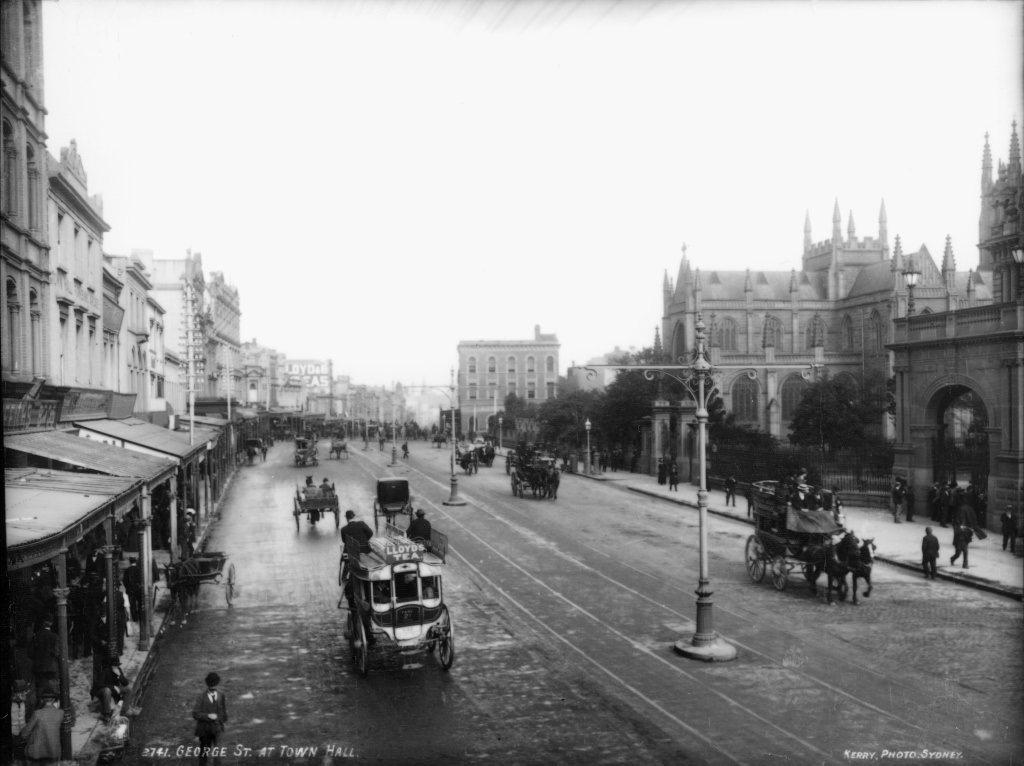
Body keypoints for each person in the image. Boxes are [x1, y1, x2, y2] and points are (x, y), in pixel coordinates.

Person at [192, 672, 228, 766]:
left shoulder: (221, 695)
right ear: (208, 684)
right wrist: (208, 716)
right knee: (204, 752)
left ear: (217, 683)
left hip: (217, 729)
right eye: (212, 683)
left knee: (218, 753)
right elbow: (195, 714)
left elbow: (223, 710)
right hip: (205, 729)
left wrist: (223, 721)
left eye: (214, 683)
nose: (213, 686)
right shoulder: (201, 697)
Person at [19, 688, 62, 765]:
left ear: (42, 700)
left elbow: (25, 733)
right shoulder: (60, 713)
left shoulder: (37, 713)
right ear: (53, 700)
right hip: (53, 750)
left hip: (37, 751)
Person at [92, 656, 131, 722]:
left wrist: (120, 676)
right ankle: (106, 714)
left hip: (114, 689)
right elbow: (99, 684)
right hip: (104, 690)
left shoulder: (118, 670)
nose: (116, 667)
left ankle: (124, 710)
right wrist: (113, 687)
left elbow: (126, 683)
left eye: (117, 665)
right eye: (115, 665)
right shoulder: (106, 671)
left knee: (128, 689)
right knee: (107, 691)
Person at [30, 617, 60, 699]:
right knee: (54, 689)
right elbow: (57, 653)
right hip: (51, 667)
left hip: (38, 667)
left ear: (43, 624)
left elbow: (30, 653)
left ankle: (39, 705)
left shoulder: (36, 636)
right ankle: (55, 705)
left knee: (39, 689)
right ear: (51, 624)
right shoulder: (55, 636)